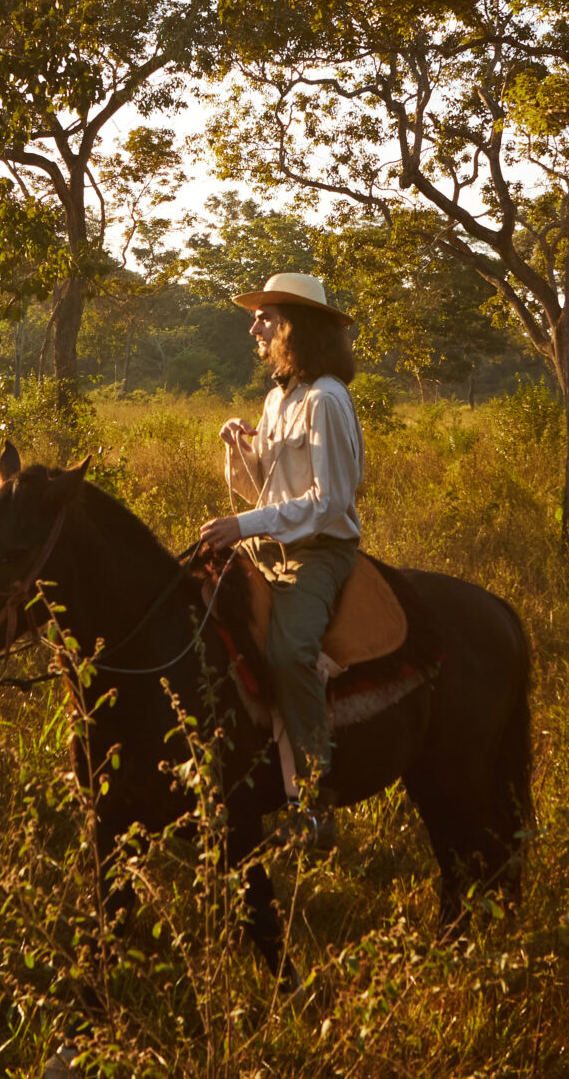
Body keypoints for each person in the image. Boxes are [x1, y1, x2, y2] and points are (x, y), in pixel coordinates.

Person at [200, 271, 366, 812]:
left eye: (264, 318)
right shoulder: (278, 400)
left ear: (295, 327)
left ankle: (314, 794)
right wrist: (237, 449)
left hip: (318, 552)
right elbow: (263, 492)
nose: (255, 329)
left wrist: (244, 525)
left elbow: (329, 502)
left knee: (291, 653)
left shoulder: (326, 400)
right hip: (270, 544)